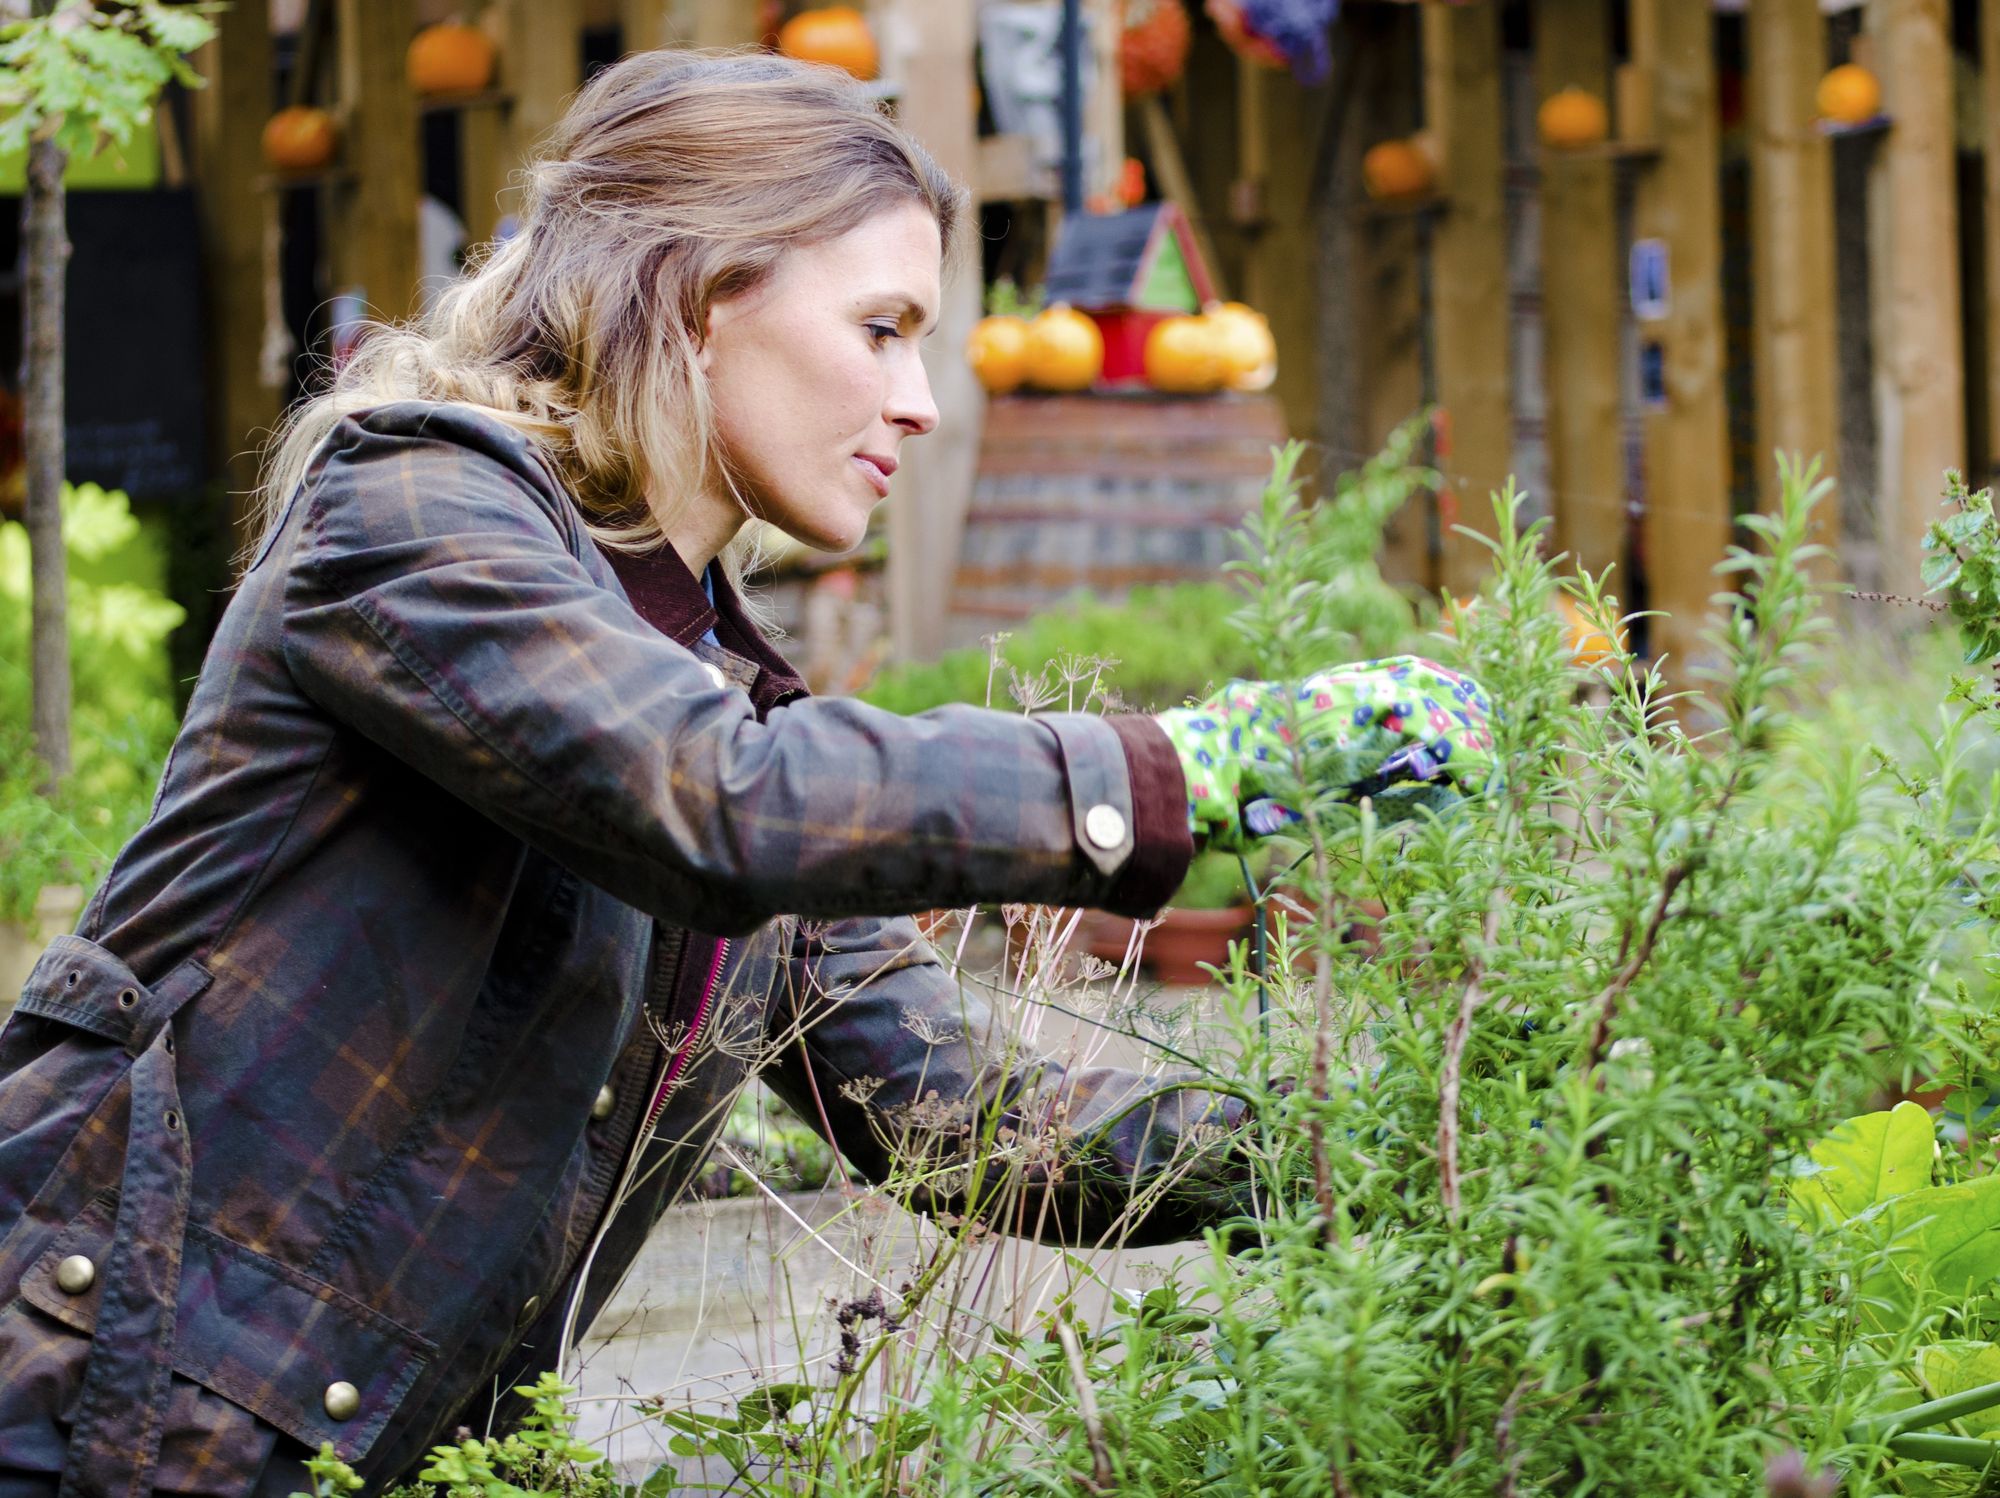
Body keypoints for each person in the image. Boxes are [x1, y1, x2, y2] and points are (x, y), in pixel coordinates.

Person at [0, 49, 1492, 1497]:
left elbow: (951, 1112)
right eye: (883, 327)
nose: (917, 399)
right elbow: (713, 800)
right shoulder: (411, 509)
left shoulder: (719, 695)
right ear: (705, 302)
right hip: (85, 1412)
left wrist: (1365, 1142)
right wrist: (1188, 769)